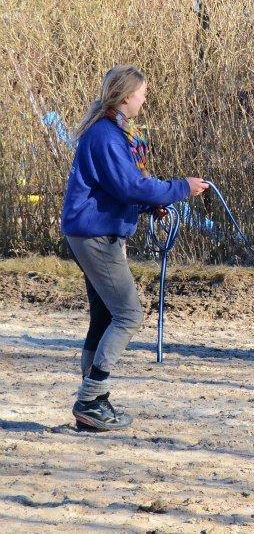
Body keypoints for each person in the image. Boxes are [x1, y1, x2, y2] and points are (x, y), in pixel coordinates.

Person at [60, 64, 208, 431]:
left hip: (91, 230)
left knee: (105, 316)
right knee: (128, 315)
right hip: (97, 235)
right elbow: (129, 186)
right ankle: (91, 399)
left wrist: (148, 203)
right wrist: (180, 188)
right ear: (127, 96)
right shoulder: (108, 137)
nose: (145, 98)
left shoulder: (108, 133)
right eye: (142, 93)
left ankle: (92, 402)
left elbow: (121, 187)